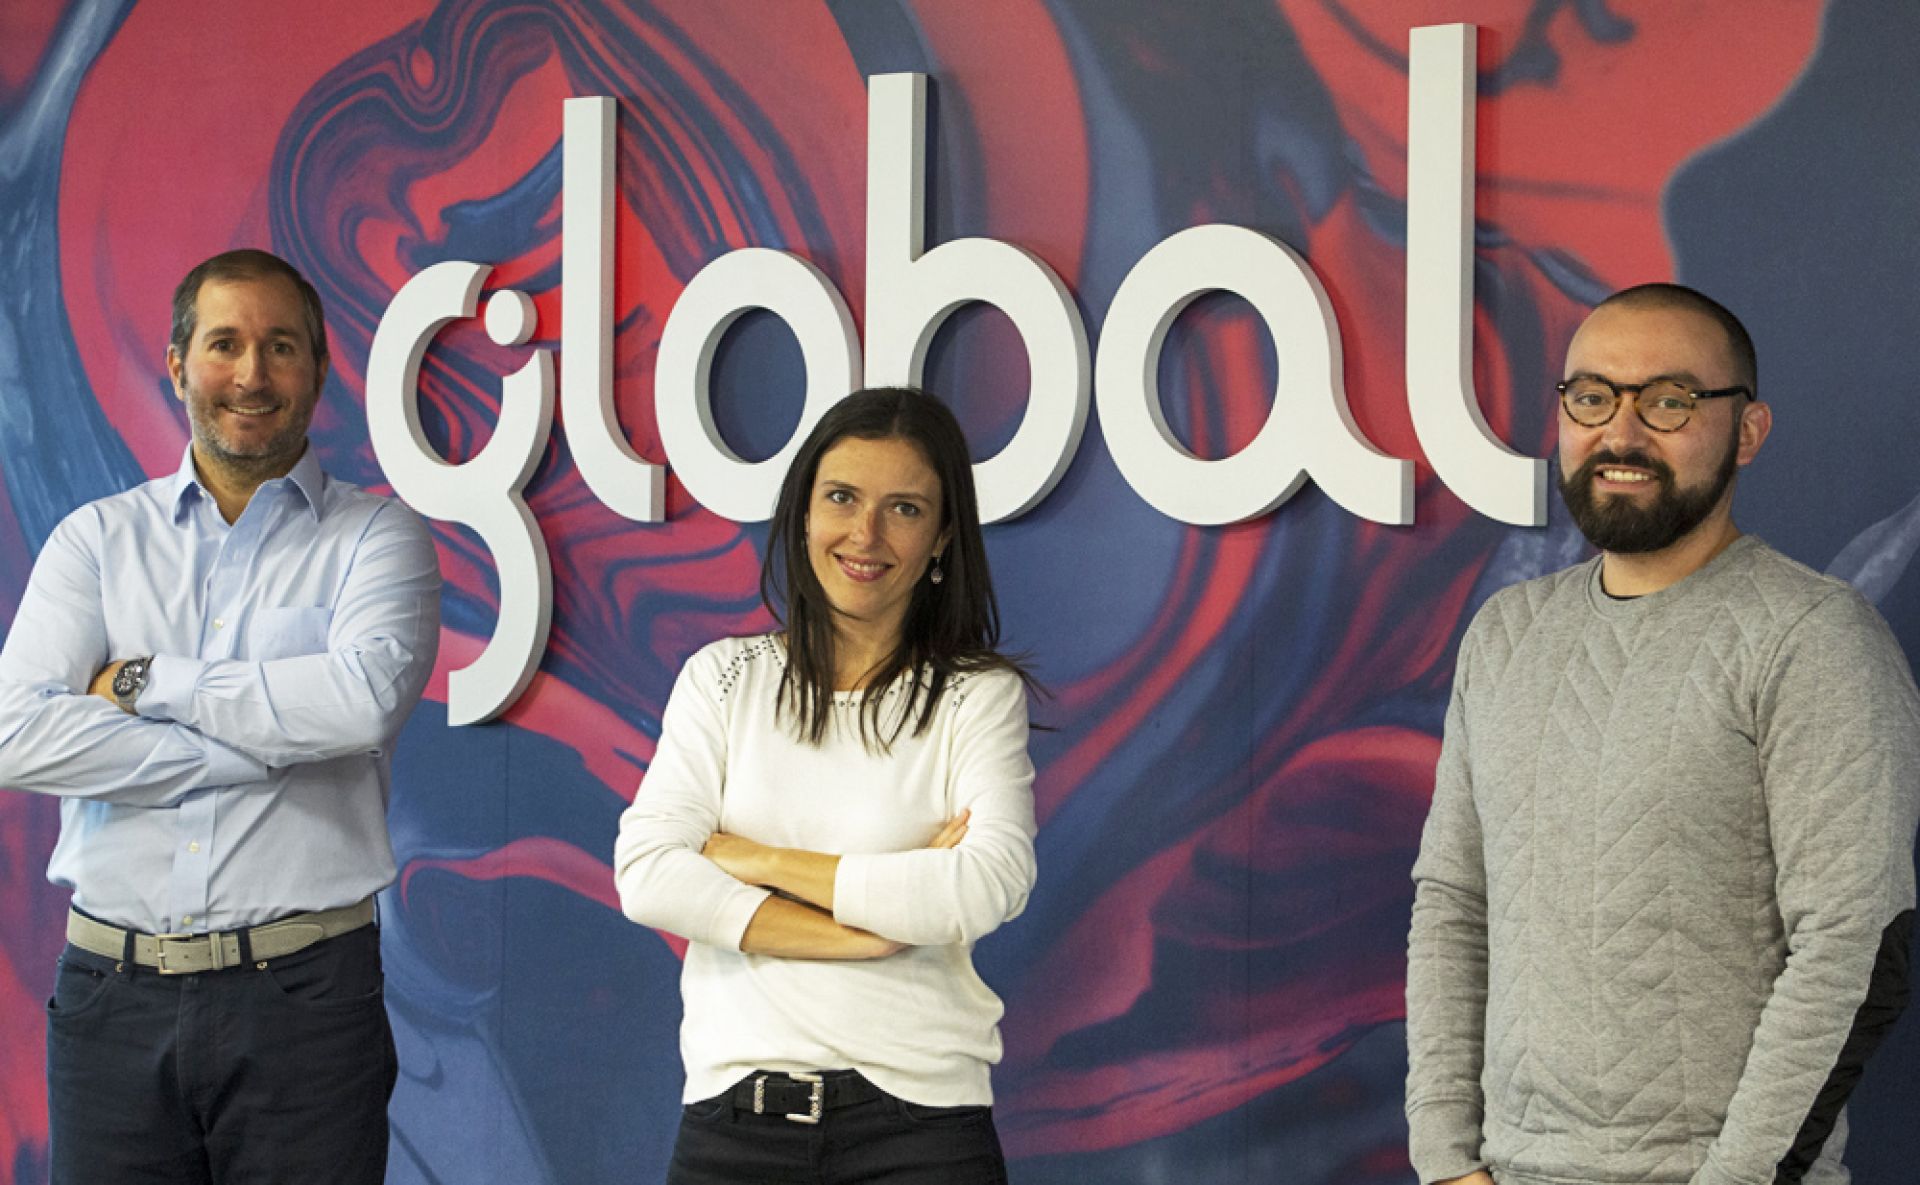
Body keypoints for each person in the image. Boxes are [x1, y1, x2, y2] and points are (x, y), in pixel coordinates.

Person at [1405, 283, 1920, 1185]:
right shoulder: (1506, 634)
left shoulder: (1814, 638)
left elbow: (1856, 944)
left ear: (1748, 430)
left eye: (1670, 401)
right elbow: (1454, 902)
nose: (1622, 432)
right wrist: (1447, 1159)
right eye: (1592, 397)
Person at [0, 248, 441, 1184]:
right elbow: (14, 733)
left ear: (318, 368)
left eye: (280, 346)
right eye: (224, 344)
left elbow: (360, 704)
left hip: (304, 1003)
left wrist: (149, 681)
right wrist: (268, 742)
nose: (251, 374)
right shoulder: (96, 541)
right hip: (111, 1000)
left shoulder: (378, 537)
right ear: (177, 364)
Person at [615, 386, 1038, 1184]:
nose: (864, 534)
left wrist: (759, 859)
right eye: (842, 497)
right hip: (734, 1127)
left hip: (920, 1133)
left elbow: (987, 883)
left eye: (904, 508)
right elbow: (648, 875)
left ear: (943, 535)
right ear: (804, 511)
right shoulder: (723, 678)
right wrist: (869, 931)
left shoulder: (975, 696)